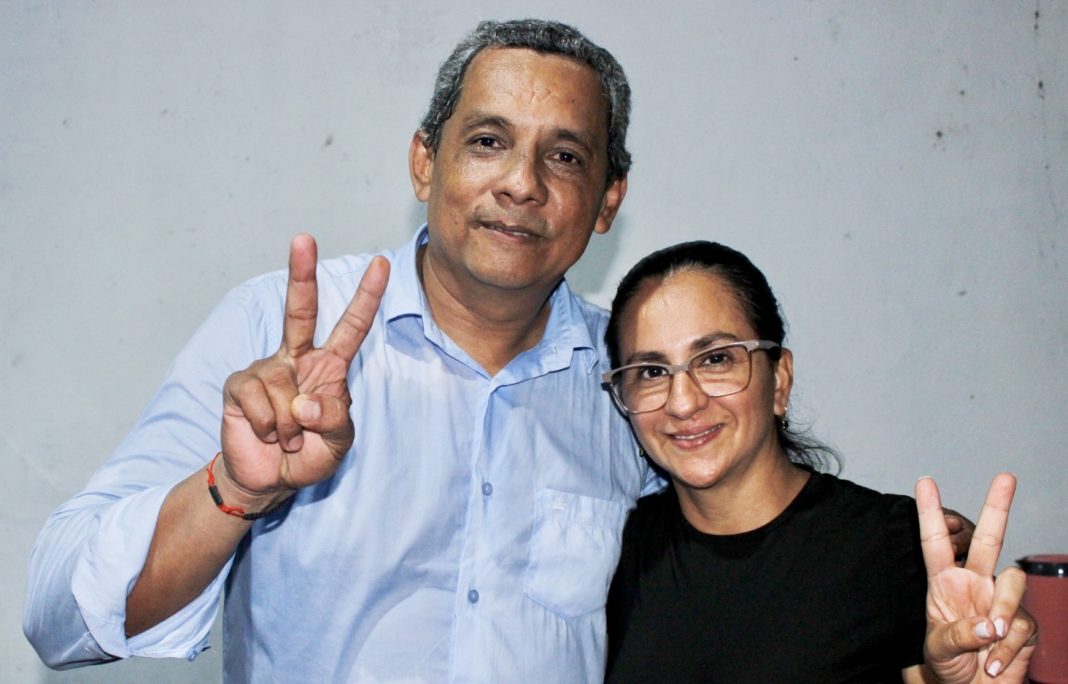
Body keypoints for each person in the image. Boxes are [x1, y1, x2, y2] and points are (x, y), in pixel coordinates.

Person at [23, 19, 973, 682]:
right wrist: (234, 491)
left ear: (607, 201)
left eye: (565, 156)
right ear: (424, 160)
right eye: (487, 141)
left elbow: (744, 570)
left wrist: (899, 562)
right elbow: (59, 619)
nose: (522, 183)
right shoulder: (277, 336)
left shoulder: (630, 383)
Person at [600, 240, 1036, 682]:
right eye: (650, 372)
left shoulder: (896, 547)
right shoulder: (617, 548)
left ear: (780, 380)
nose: (682, 402)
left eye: (715, 359)